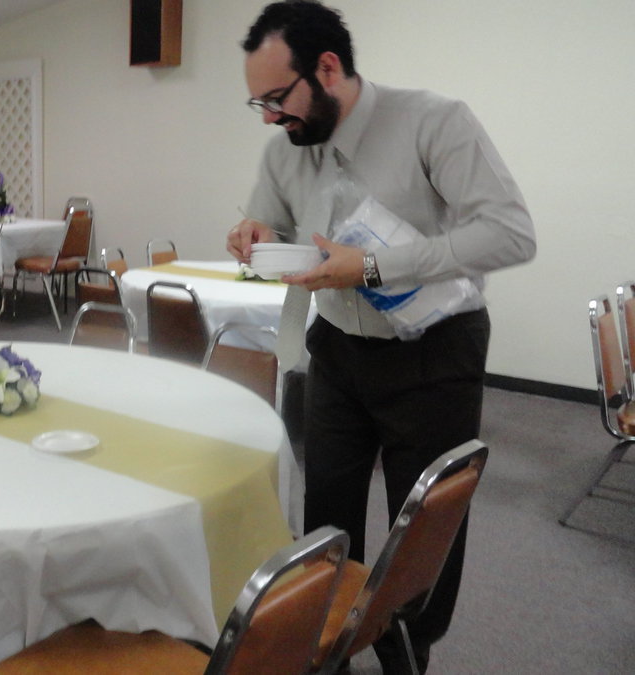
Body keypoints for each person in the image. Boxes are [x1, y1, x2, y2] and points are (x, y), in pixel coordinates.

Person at [227, 2, 535, 673]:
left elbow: (510, 233)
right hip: (337, 349)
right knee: (325, 520)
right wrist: (255, 234)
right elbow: (272, 224)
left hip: (434, 352)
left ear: (327, 68)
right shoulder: (284, 151)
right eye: (259, 104)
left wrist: (372, 265)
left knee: (420, 532)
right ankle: (324, 652)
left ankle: (407, 655)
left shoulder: (433, 121)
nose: (270, 118)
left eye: (277, 98)